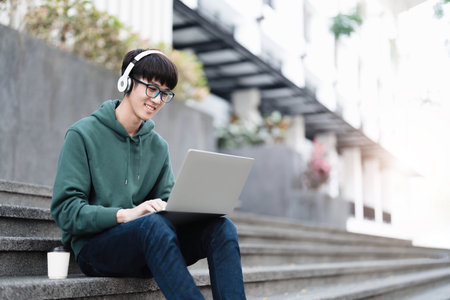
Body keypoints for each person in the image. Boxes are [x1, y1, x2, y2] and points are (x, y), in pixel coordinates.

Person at [51, 48, 246, 299]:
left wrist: (191, 208)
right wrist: (126, 215)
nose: (157, 99)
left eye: (165, 93)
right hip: (95, 250)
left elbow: (168, 206)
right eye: (151, 88)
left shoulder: (158, 146)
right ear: (128, 82)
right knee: (152, 225)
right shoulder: (82, 134)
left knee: (222, 228)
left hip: (150, 247)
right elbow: (65, 211)